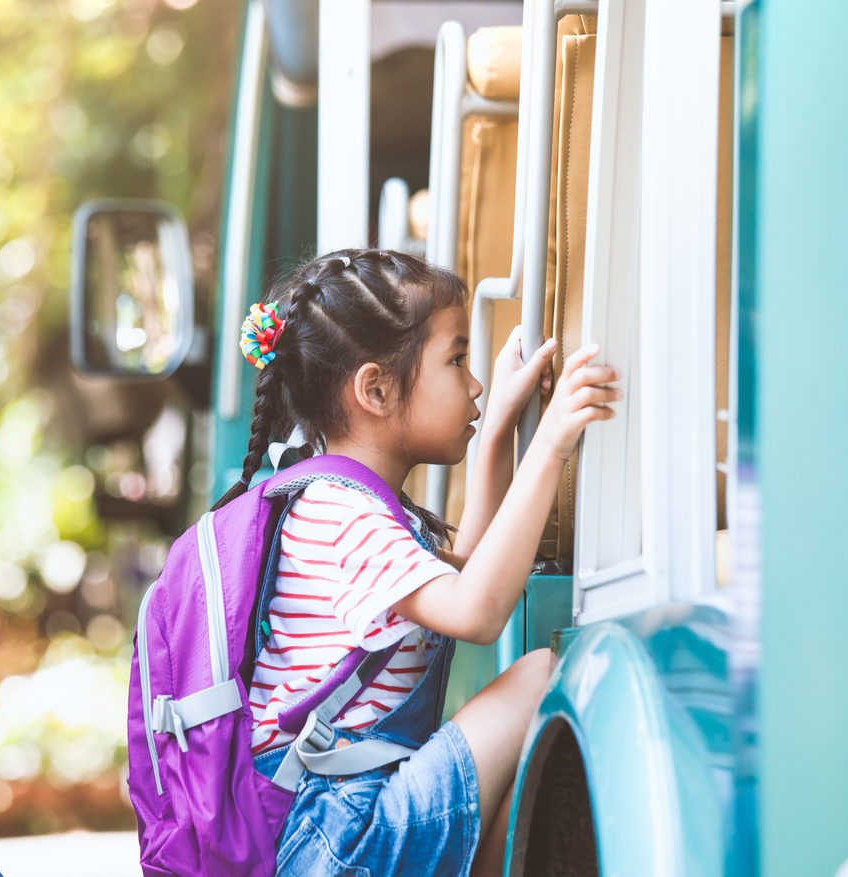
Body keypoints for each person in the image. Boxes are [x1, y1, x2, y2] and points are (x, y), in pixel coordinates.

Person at [215, 249, 619, 877]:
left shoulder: (349, 502)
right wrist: (552, 443)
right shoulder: (339, 517)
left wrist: (501, 437)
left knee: (514, 792)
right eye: (457, 360)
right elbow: (477, 610)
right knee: (542, 673)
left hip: (338, 826)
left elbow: (463, 573)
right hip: (341, 835)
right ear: (376, 389)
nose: (475, 384)